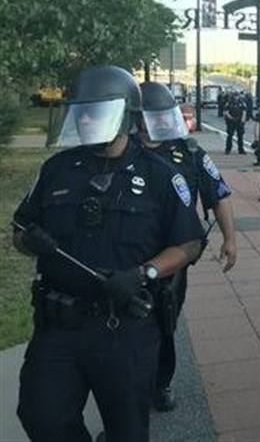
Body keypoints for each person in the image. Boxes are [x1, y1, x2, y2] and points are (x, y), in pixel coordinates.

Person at [12, 65, 204, 442]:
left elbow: (189, 244)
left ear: (124, 116)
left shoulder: (160, 176)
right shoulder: (57, 170)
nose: (86, 120)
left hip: (124, 330)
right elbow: (21, 229)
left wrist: (144, 273)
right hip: (58, 327)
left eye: (95, 112)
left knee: (128, 431)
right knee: (42, 417)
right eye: (81, 112)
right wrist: (28, 241)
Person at [136, 81, 238, 412]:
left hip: (173, 257)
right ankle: (127, 392)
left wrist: (230, 239)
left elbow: (219, 195)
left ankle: (160, 382)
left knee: (165, 321)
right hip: (127, 254)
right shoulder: (122, 151)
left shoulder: (189, 152)